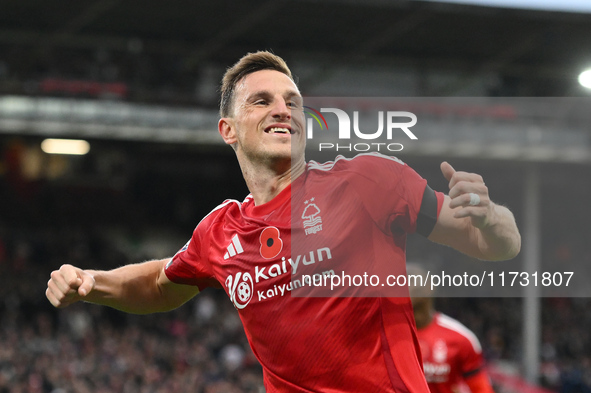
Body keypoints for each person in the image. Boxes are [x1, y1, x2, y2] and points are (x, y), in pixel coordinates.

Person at [46, 51, 521, 392]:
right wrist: (92, 282)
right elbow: (157, 284)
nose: (283, 110)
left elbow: (495, 244)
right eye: (262, 101)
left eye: (292, 101)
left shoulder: (368, 181)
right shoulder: (221, 231)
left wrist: (492, 215)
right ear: (227, 130)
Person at [407, 264, 495, 393]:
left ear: (429, 287)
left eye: (409, 280)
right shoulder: (381, 336)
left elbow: (481, 389)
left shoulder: (461, 338)